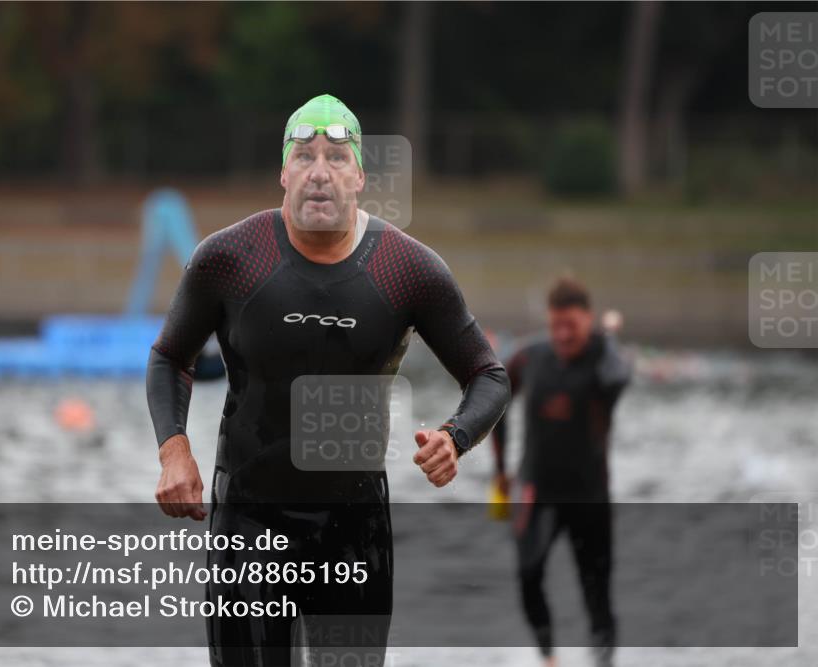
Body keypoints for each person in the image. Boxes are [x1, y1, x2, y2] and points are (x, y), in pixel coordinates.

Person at [147, 93, 511, 666]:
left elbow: (488, 375)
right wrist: (174, 452)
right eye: (306, 155)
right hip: (249, 521)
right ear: (283, 173)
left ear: (360, 175)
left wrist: (455, 435)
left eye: (337, 157)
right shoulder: (227, 258)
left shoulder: (408, 269)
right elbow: (170, 357)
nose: (320, 172)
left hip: (354, 527)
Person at [491, 277, 631, 667]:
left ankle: (603, 662)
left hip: (589, 496)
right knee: (527, 574)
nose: (563, 334)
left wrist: (608, 339)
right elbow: (493, 396)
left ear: (588, 319)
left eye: (571, 325)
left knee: (596, 591)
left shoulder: (605, 359)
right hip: (538, 491)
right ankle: (549, 658)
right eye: (556, 325)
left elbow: (617, 380)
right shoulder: (530, 357)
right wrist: (501, 469)